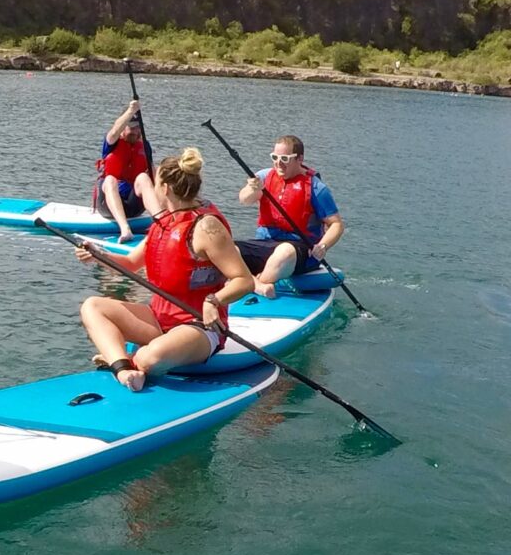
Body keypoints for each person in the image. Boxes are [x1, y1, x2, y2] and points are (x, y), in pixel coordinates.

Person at [76, 148, 253, 391]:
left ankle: (129, 361)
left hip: (199, 327)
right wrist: (98, 255)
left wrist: (214, 300)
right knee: (93, 306)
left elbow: (243, 280)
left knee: (152, 357)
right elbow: (130, 264)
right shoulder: (163, 224)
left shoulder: (206, 227)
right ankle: (123, 368)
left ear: (165, 189)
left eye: (155, 183)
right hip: (159, 321)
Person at [235, 135, 345, 298]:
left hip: (299, 248)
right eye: (275, 157)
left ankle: (251, 282)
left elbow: (336, 224)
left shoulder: (316, 188)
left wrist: (323, 246)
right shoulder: (264, 177)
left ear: (299, 159)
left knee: (284, 251)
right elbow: (244, 199)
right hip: (265, 243)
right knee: (229, 249)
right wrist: (252, 188)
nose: (279, 163)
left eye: (285, 158)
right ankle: (258, 286)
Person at [96, 99, 154, 244]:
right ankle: (125, 229)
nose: (136, 131)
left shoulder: (144, 145)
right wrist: (131, 110)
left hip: (134, 206)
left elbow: (155, 175)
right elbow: (115, 130)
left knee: (144, 177)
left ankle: (162, 222)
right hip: (108, 205)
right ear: (123, 128)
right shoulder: (112, 142)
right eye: (132, 128)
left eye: (138, 128)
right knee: (110, 180)